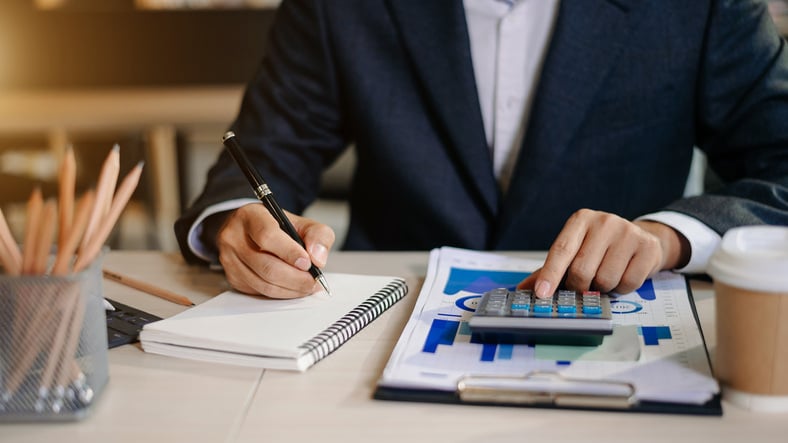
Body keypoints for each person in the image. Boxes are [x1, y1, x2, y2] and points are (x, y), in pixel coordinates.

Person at [175, 0, 788, 300]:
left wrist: (666, 236)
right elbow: (261, 155)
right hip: (380, 333)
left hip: (618, 330)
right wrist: (236, 224)